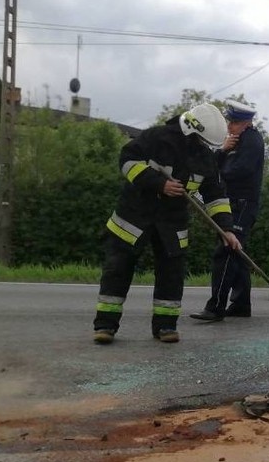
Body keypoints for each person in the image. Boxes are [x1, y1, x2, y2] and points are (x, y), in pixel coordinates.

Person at [92, 103, 242, 345]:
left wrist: (226, 229)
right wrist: (158, 183)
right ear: (192, 130)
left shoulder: (204, 158)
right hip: (133, 217)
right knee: (117, 271)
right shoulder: (155, 138)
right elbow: (127, 160)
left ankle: (165, 327)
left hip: (172, 222)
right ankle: (105, 326)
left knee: (172, 275)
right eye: (201, 140)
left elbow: (216, 195)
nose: (203, 145)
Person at [191, 99, 265, 322]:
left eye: (233, 122)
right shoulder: (233, 142)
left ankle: (216, 307)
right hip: (231, 202)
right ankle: (241, 304)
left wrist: (220, 172)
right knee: (237, 253)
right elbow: (211, 164)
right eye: (229, 121)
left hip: (242, 203)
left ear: (245, 123)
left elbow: (239, 170)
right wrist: (222, 150)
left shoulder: (251, 140)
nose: (229, 126)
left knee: (226, 252)